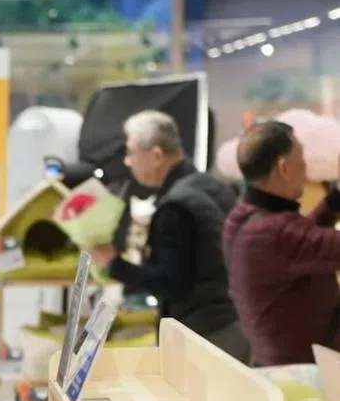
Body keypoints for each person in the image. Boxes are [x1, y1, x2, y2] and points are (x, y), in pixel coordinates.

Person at [85, 110, 249, 363]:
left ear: (156, 155)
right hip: (236, 324)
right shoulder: (214, 187)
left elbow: (169, 282)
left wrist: (112, 263)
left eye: (131, 152)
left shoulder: (175, 207)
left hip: (204, 334)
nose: (128, 161)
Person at [224, 120, 340, 366]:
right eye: (301, 161)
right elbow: (302, 241)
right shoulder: (272, 232)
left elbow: (302, 239)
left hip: (280, 362)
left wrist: (335, 201)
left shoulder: (242, 216)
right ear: (284, 168)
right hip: (306, 376)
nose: (306, 169)